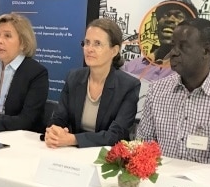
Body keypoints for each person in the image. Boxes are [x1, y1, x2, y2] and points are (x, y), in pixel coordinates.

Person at [136, 19, 210, 164]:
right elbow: (143, 146)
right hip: (160, 179)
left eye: (183, 46)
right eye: (173, 45)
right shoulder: (157, 90)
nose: (173, 53)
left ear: (206, 51)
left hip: (205, 183)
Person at [46, 19, 140, 148]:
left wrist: (73, 139)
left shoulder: (128, 86)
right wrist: (54, 132)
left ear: (114, 50)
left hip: (108, 158)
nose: (89, 49)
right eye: (87, 43)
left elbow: (116, 135)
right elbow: (58, 119)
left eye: (97, 44)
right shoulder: (73, 77)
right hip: (73, 154)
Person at [0, 13, 48, 133]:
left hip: (22, 140)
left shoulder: (37, 73)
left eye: (7, 36)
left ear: (23, 43)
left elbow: (27, 119)